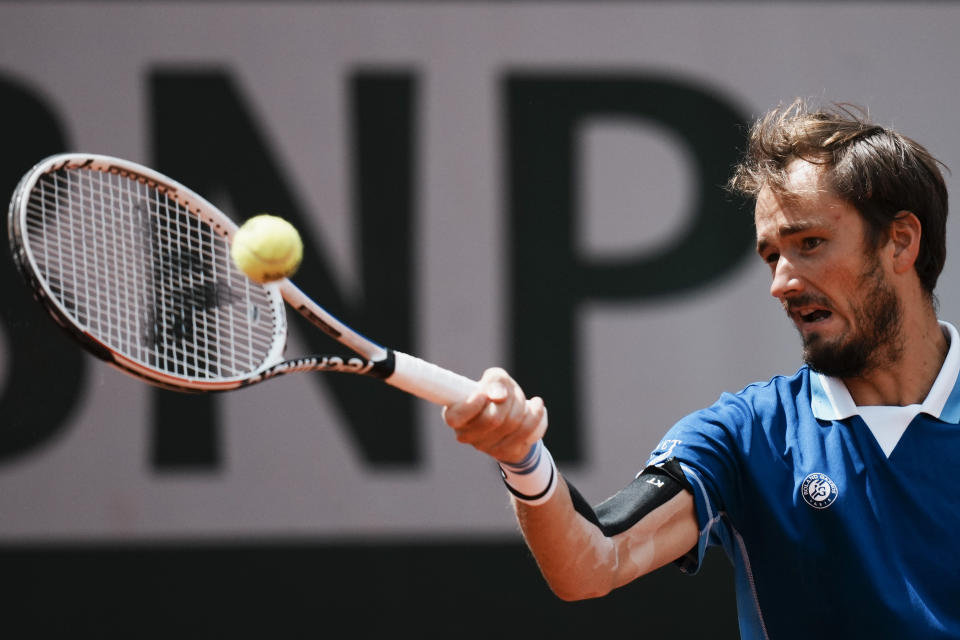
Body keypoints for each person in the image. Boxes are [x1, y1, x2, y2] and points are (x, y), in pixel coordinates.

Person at [442, 99, 960, 639]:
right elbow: (590, 562)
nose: (781, 283)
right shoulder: (744, 435)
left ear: (900, 241)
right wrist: (522, 458)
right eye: (771, 256)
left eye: (810, 243)